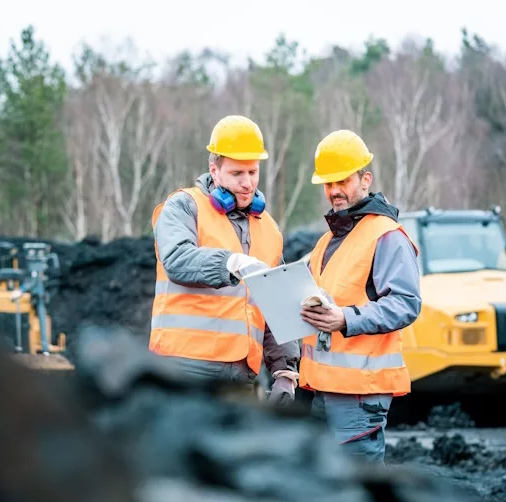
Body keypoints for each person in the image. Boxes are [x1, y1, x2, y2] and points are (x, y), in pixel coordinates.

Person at [149, 114, 300, 405]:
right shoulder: (183, 206)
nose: (247, 183)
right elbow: (177, 258)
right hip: (185, 371)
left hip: (241, 376)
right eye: (237, 174)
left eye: (253, 172)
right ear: (214, 170)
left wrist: (284, 372)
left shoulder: (268, 228)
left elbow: (279, 305)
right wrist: (230, 263)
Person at [298, 129, 422, 463]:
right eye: (328, 184)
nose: (334, 191)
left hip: (358, 396)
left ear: (365, 180)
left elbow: (406, 304)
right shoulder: (327, 242)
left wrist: (345, 319)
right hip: (321, 391)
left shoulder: (386, 235)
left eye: (343, 181)